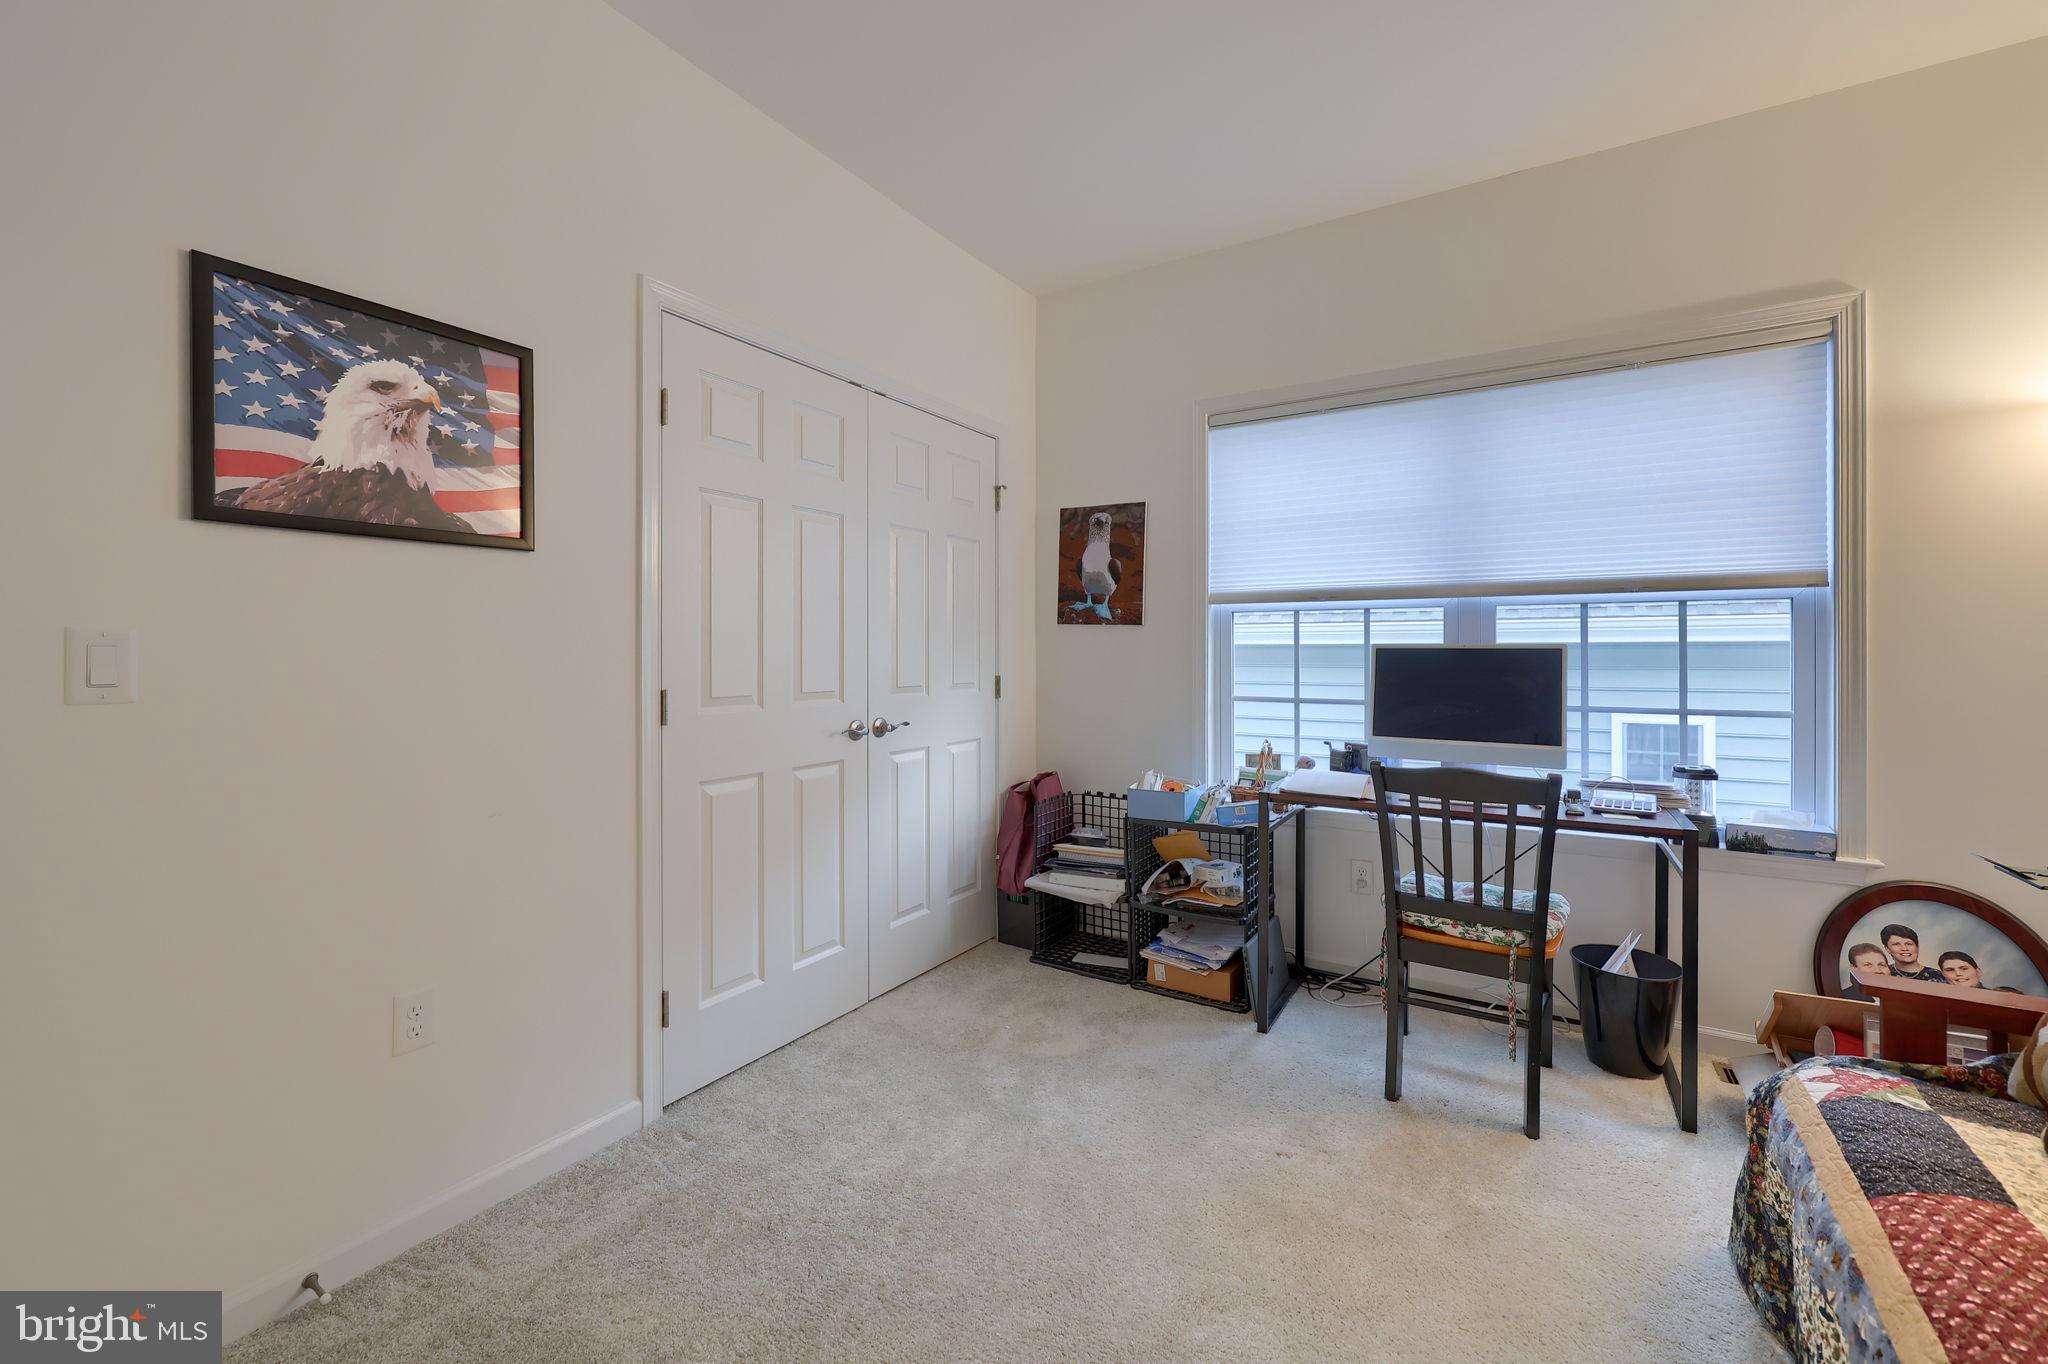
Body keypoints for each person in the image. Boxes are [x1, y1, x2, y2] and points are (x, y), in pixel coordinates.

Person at [1880, 923, 1945, 982]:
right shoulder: (1882, 973)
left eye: (1909, 944)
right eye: (1896, 944)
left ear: (1917, 947)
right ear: (1887, 949)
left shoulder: (1937, 975)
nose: (1904, 948)